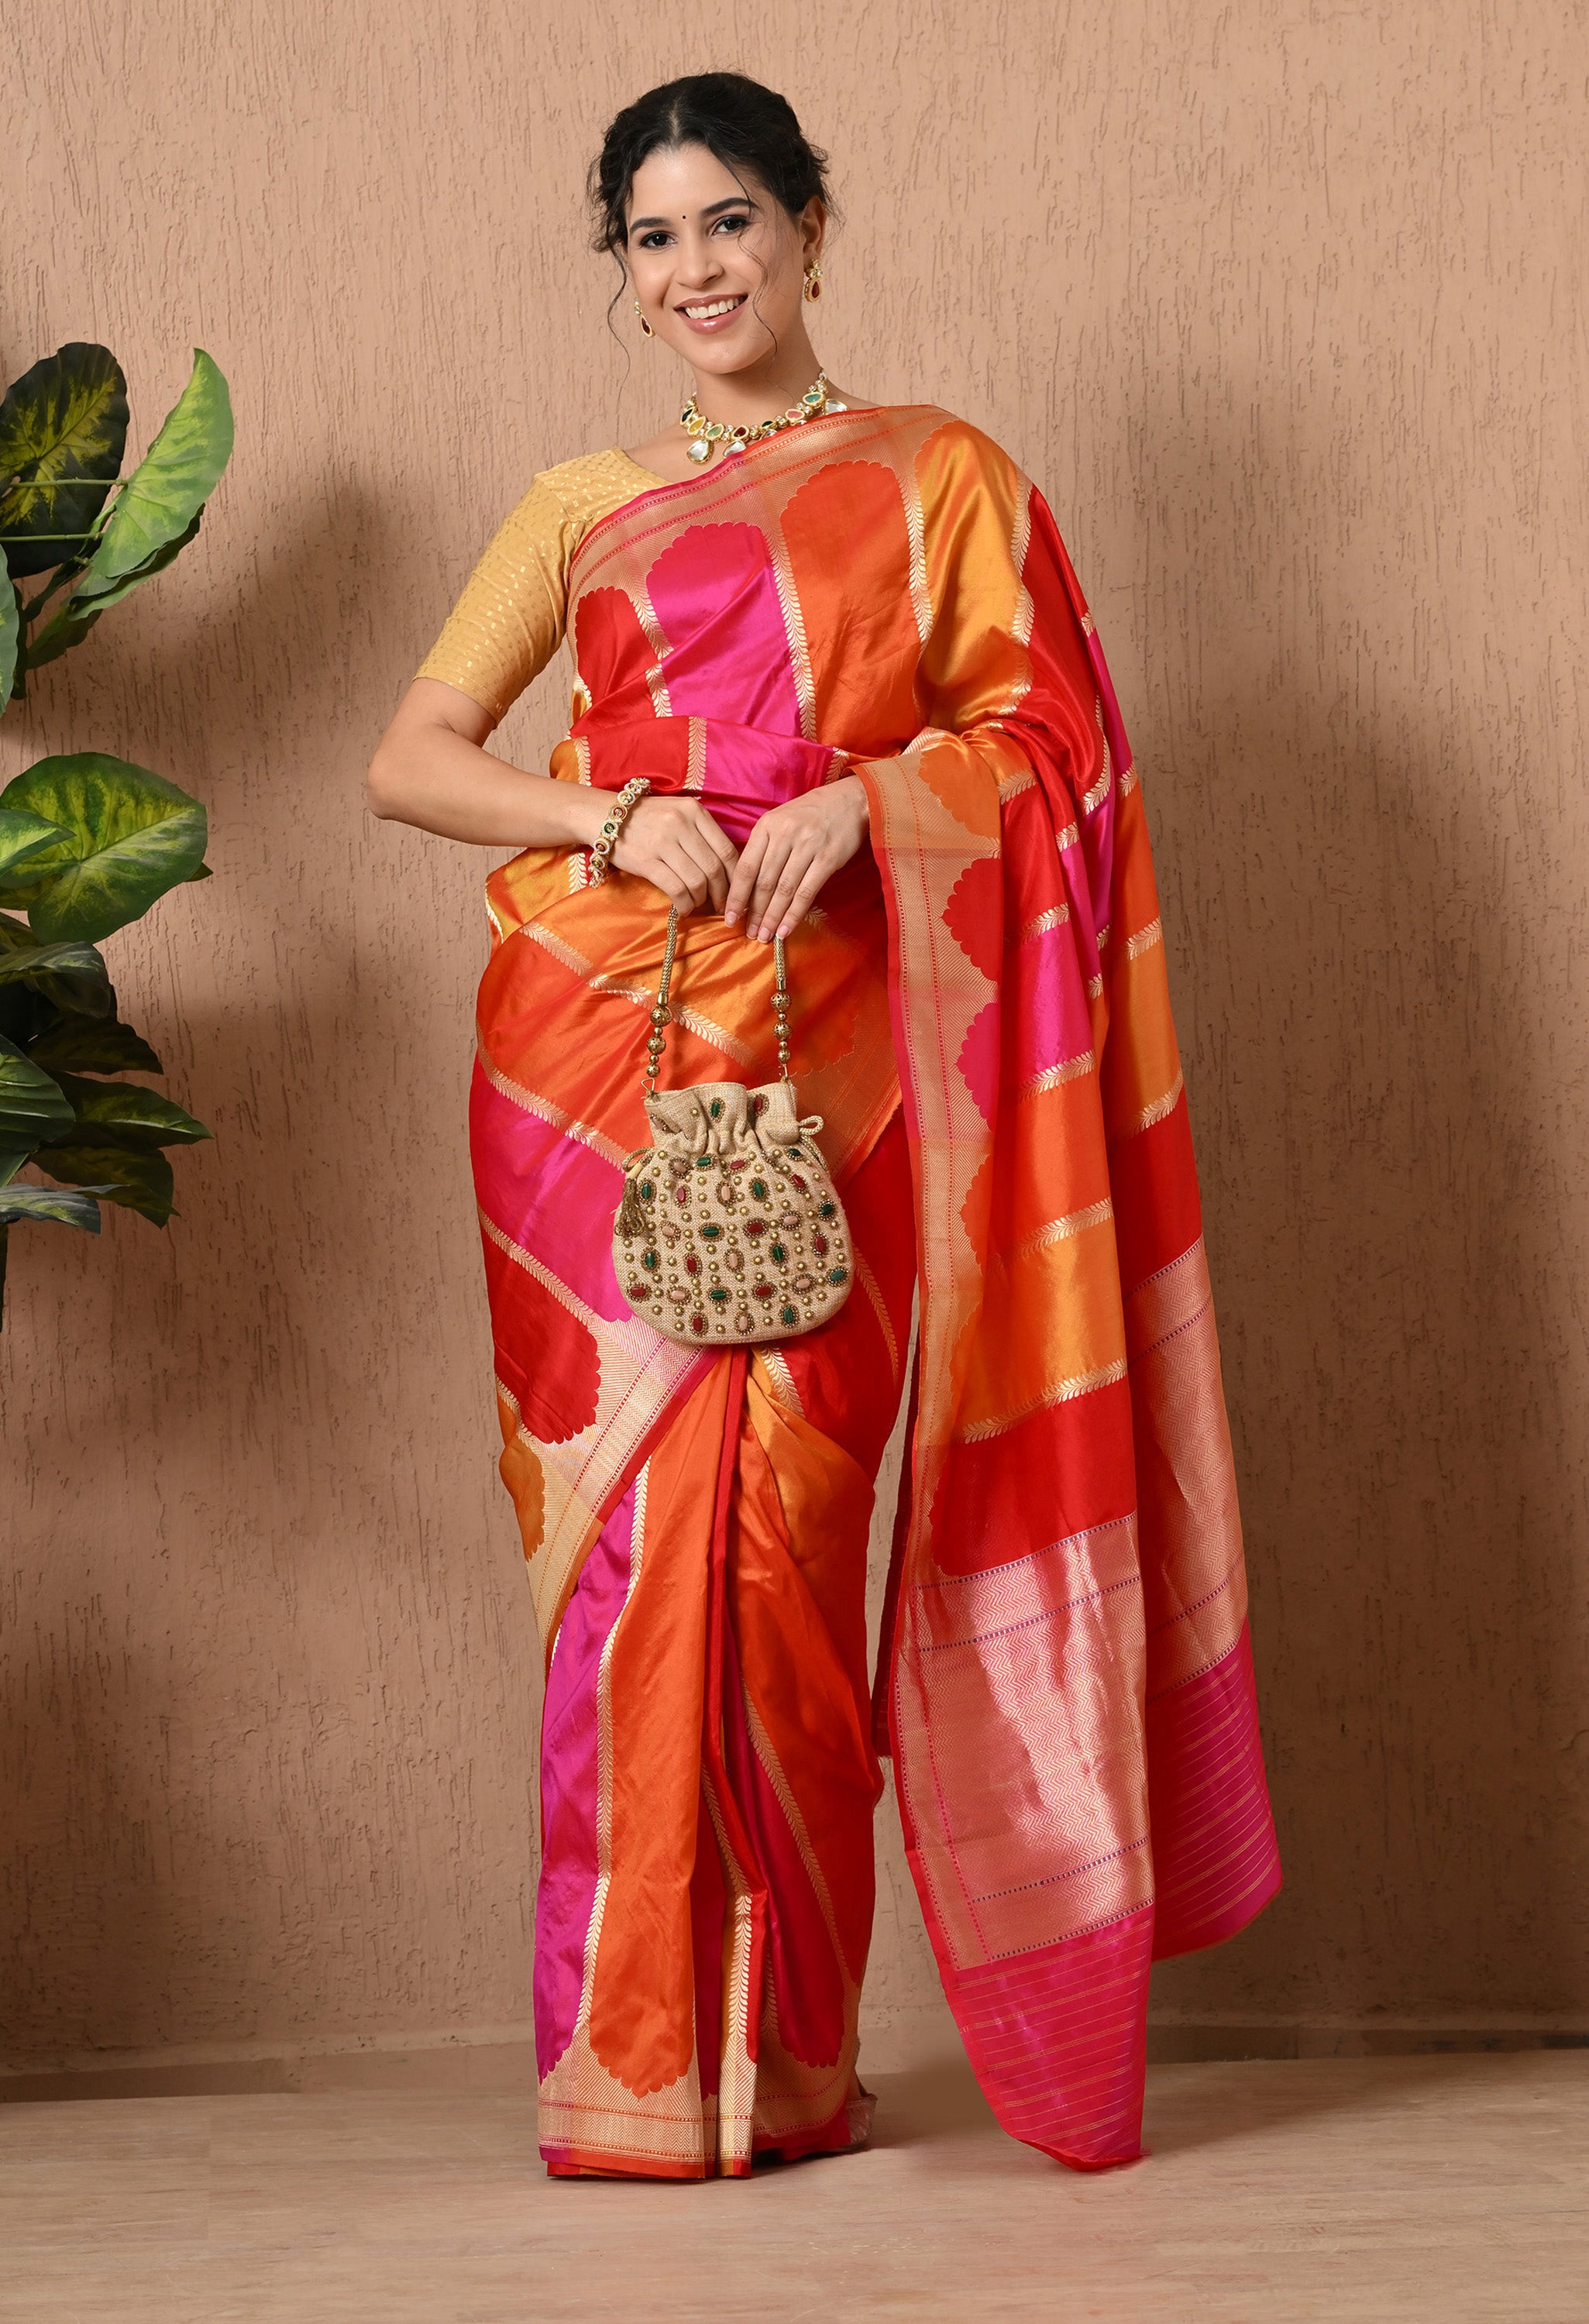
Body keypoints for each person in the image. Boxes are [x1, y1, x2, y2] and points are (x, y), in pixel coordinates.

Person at [367, 70, 1280, 2181]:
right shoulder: (576, 498)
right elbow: (412, 761)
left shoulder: (942, 475)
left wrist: (865, 809)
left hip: (833, 1052)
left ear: (809, 230)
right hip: (581, 1063)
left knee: (780, 1547)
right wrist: (612, 809)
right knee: (619, 1580)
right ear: (621, 269)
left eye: (733, 223)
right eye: (655, 238)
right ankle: (627, 2076)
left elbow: (1037, 736)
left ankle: (771, 2069)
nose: (697, 271)